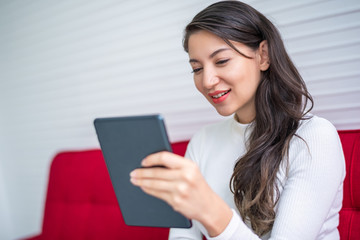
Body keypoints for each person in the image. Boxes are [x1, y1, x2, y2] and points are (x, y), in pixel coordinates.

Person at [130, 1, 346, 239]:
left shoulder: (313, 137)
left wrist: (211, 212)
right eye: (197, 68)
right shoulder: (203, 141)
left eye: (221, 61)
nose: (207, 81)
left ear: (263, 55)